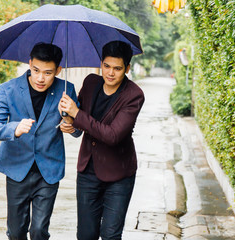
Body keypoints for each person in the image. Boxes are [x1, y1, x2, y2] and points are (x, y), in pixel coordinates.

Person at [0, 42, 79, 240]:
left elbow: (78, 130)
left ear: (58, 70)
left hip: (48, 170)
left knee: (38, 231)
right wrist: (14, 128)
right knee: (16, 231)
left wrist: (71, 122)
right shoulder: (8, 89)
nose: (40, 78)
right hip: (17, 169)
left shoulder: (66, 89)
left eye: (48, 72)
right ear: (29, 64)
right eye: (36, 70)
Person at [58, 40, 145, 240]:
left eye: (117, 68)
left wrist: (77, 114)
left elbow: (112, 135)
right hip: (88, 172)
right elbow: (80, 125)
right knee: (86, 235)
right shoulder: (90, 83)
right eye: (106, 66)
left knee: (111, 235)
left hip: (119, 174)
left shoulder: (134, 95)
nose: (110, 73)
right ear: (100, 64)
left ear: (127, 68)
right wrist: (68, 121)